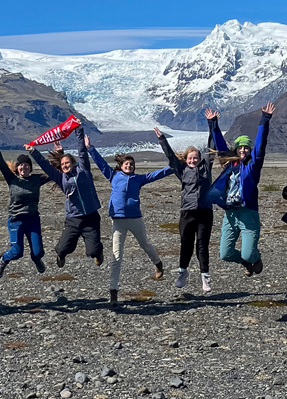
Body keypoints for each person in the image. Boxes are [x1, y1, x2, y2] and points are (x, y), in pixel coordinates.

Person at [85, 135, 172, 305]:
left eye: (132, 164)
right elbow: (101, 163)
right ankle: (113, 291)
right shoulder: (113, 176)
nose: (130, 166)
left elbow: (157, 174)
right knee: (117, 256)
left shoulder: (138, 179)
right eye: (127, 164)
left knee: (145, 244)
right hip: (118, 221)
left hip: (135, 219)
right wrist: (90, 148)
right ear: (121, 165)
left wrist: (174, 167)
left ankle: (158, 263)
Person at [207, 102, 275, 277]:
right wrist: (213, 123)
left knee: (248, 253)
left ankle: (255, 258)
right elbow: (220, 146)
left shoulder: (252, 165)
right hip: (230, 214)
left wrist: (265, 119)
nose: (243, 150)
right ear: (236, 149)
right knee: (225, 254)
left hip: (248, 213)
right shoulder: (229, 164)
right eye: (240, 147)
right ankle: (244, 262)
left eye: (246, 147)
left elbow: (260, 145)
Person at [25, 124, 104, 268]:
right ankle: (61, 255)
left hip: (90, 216)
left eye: (67, 162)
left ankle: (98, 253)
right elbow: (46, 166)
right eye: (63, 164)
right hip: (73, 218)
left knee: (93, 250)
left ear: (73, 163)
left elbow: (82, 151)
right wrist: (33, 152)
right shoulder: (61, 178)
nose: (65, 165)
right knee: (63, 248)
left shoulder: (84, 171)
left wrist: (79, 130)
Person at [154, 109, 215, 292]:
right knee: (186, 242)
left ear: (200, 159)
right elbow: (171, 157)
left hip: (205, 211)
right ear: (186, 159)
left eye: (196, 158)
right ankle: (183, 272)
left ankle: (205, 277)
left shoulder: (206, 169)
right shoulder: (182, 171)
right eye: (190, 158)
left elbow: (212, 148)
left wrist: (212, 124)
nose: (193, 160)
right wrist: (163, 140)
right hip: (187, 212)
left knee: (202, 245)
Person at [0, 127, 51, 278]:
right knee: (17, 252)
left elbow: (53, 173)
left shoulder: (36, 179)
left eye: (27, 164)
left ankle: (36, 259)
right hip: (16, 220)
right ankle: (3, 259)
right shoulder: (12, 179)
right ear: (18, 167)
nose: (24, 166)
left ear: (30, 167)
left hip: (33, 219)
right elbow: (1, 164)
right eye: (21, 164)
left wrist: (58, 153)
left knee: (38, 252)